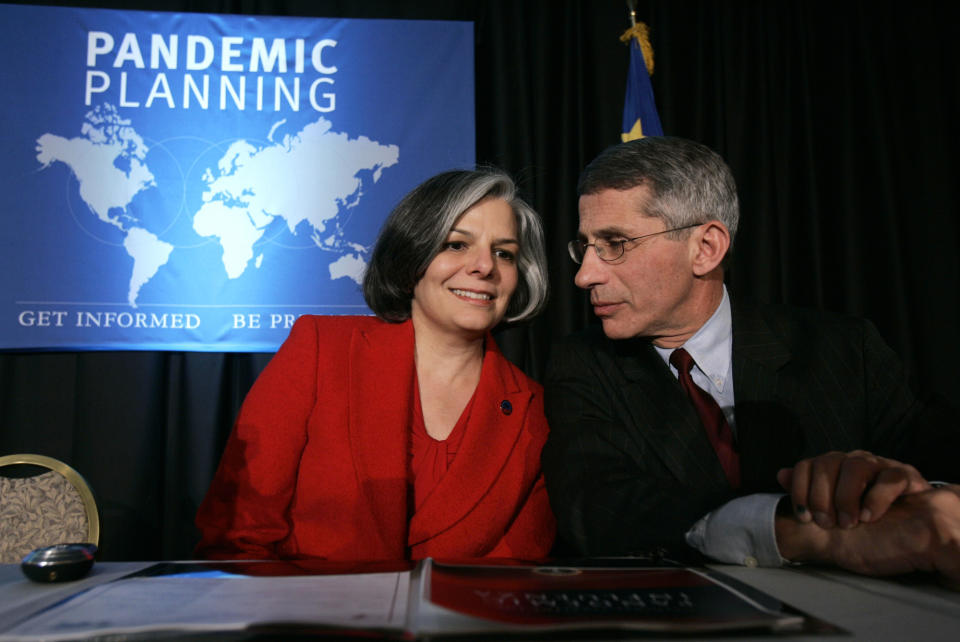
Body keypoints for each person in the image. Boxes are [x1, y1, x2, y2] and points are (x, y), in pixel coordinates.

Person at [541, 136, 960, 582]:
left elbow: (939, 457)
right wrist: (814, 534)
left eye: (615, 243)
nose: (585, 274)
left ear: (705, 248)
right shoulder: (582, 364)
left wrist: (904, 494)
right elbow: (601, 509)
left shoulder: (845, 348)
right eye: (584, 246)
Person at [196, 168, 555, 561]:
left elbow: (516, 573)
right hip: (304, 618)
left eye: (504, 253)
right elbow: (238, 535)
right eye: (456, 245)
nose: (485, 266)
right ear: (410, 260)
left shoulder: (534, 410)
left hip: (459, 621)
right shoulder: (320, 350)